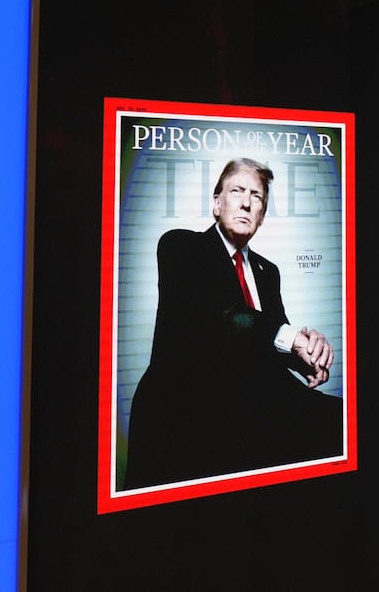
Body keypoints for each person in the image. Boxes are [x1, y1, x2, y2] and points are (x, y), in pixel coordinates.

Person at [123, 158, 342, 489]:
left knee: (345, 424)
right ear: (216, 204)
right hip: (184, 417)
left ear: (262, 215)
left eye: (256, 196)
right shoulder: (180, 246)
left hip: (251, 414)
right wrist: (291, 337)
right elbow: (219, 315)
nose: (245, 201)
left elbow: (270, 341)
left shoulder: (269, 273)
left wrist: (308, 353)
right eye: (237, 190)